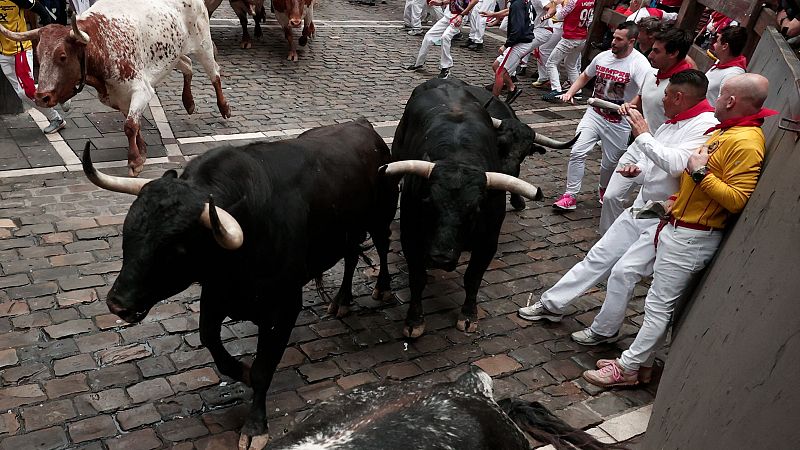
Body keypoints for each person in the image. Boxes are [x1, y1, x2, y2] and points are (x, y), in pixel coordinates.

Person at [582, 73, 776, 387]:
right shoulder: (729, 133)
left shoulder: (744, 142)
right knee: (654, 300)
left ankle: (628, 368)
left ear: (730, 101)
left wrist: (699, 173)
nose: (716, 98)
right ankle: (641, 363)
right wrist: (678, 198)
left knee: (659, 306)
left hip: (692, 236)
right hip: (680, 227)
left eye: (722, 93)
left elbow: (737, 199)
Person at [519, 71, 717, 371]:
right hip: (643, 206)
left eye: (666, 95)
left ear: (679, 97)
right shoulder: (677, 118)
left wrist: (644, 136)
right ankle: (552, 304)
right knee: (599, 255)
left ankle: (604, 330)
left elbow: (679, 164)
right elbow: (657, 161)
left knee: (624, 272)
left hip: (665, 214)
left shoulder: (706, 125)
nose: (661, 99)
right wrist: (638, 169)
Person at [599, 26, 694, 232]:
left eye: (656, 51)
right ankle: (609, 239)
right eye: (651, 49)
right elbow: (641, 97)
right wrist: (630, 105)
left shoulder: (686, 85)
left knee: (650, 208)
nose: (650, 55)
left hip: (662, 152)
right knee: (611, 195)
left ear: (674, 53)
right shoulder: (652, 73)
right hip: (640, 142)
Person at [550, 21, 652, 211]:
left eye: (619, 39)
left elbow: (646, 90)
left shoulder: (639, 64)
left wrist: (631, 105)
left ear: (631, 41)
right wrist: (571, 92)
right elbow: (585, 76)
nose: (613, 42)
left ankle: (604, 189)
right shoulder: (603, 57)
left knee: (610, 163)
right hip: (594, 114)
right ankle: (569, 196)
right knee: (577, 152)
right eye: (613, 37)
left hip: (619, 121)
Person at [0, 0, 66, 134]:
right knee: (22, 93)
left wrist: (49, 41)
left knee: (26, 91)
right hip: (3, 54)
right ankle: (61, 92)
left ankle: (57, 115)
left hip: (20, 51)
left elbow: (43, 12)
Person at [486, 0, 552, 103]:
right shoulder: (524, 2)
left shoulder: (520, 3)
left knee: (500, 71)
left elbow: (518, 28)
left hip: (530, 34)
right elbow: (520, 12)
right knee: (496, 66)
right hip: (528, 33)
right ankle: (512, 87)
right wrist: (494, 14)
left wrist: (507, 44)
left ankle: (494, 102)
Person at [405, 0, 480, 79]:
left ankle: (445, 67)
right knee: (428, 35)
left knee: (445, 37)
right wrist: (441, 3)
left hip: (460, 16)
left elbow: (474, 1)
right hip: (449, 15)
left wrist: (461, 15)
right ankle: (419, 63)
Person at [541, 0, 596, 103]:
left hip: (570, 37)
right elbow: (590, 20)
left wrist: (559, 5)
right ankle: (577, 90)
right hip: (582, 36)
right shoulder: (591, 1)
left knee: (551, 63)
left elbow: (559, 16)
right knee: (570, 64)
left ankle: (556, 89)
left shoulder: (573, 1)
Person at [705, 25, 747, 103]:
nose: (714, 45)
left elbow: (722, 108)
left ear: (725, 46)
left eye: (717, 42)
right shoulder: (721, 61)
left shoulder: (732, 76)